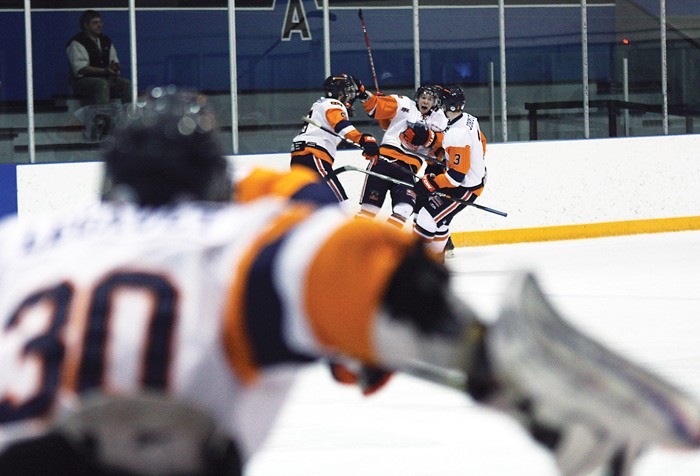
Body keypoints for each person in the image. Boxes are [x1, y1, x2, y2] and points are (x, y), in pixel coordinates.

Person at [1, 86, 699, 476]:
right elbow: (374, 276)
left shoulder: (20, 243)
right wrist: (504, 379)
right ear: (211, 183)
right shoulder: (234, 238)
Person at [402, 85, 487, 258]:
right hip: (471, 178)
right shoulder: (469, 119)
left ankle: (420, 262)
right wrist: (451, 157)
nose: (438, 104)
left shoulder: (457, 134)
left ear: (449, 105)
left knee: (427, 218)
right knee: (437, 221)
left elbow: (455, 177)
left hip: (466, 188)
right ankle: (437, 259)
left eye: (441, 101)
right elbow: (481, 144)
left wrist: (430, 183)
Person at [356, 83, 448, 229]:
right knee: (369, 210)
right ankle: (351, 246)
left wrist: (430, 137)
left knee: (404, 209)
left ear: (435, 103)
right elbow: (376, 106)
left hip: (407, 170)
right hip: (384, 162)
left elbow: (445, 143)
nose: (425, 101)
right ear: (417, 98)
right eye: (423, 97)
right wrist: (363, 94)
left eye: (430, 99)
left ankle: (385, 244)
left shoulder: (440, 120)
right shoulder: (403, 103)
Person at [290, 74, 379, 206]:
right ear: (340, 93)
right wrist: (362, 140)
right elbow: (340, 125)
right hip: (314, 156)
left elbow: (336, 132)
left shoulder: (320, 104)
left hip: (300, 157)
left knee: (308, 209)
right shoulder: (333, 104)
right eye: (347, 93)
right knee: (341, 204)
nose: (349, 97)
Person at [66, 10, 132, 141]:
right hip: (82, 82)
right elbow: (80, 69)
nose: (100, 25)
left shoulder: (106, 40)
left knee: (126, 84)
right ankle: (102, 121)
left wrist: (114, 67)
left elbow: (114, 60)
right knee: (101, 84)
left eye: (100, 22)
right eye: (95, 23)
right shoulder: (76, 43)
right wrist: (105, 71)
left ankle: (129, 120)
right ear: (85, 25)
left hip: (106, 78)